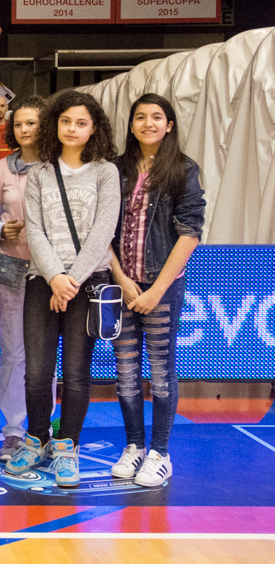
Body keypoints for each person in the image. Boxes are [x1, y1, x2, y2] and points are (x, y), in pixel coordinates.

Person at [5, 90, 120, 488]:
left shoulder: (106, 172)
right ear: (55, 124)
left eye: (81, 123)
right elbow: (33, 228)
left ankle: (67, 444)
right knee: (36, 373)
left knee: (75, 372)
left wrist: (71, 281)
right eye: (66, 121)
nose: (72, 128)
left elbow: (105, 229)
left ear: (94, 129)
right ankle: (37, 438)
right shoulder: (38, 172)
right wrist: (55, 277)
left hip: (88, 284)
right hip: (43, 281)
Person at [108, 94, 205, 487]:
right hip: (122, 286)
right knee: (126, 371)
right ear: (131, 125)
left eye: (157, 117)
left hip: (160, 289)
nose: (148, 123)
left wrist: (155, 290)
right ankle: (133, 446)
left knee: (161, 371)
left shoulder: (183, 169)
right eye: (140, 117)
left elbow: (190, 233)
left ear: (169, 125)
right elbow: (102, 231)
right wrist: (121, 278)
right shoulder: (115, 169)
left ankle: (160, 452)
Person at [0, 96, 53, 462]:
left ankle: (43, 428)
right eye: (19, 124)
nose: (25, 130)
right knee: (14, 353)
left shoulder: (60, 167)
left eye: (32, 123)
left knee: (44, 355)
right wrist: (2, 229)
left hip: (51, 272)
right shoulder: (2, 167)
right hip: (10, 268)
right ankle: (14, 431)